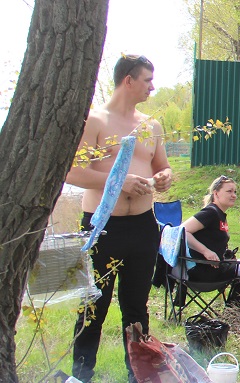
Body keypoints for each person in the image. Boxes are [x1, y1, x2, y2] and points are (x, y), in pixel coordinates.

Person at [65, 55, 173, 382]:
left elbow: (162, 166)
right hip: (102, 226)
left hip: (142, 226)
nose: (152, 87)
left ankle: (137, 376)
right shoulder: (95, 121)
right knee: (93, 309)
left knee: (136, 310)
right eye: (147, 80)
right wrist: (118, 179)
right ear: (128, 80)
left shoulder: (151, 125)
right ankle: (81, 377)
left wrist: (165, 177)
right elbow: (72, 171)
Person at [180, 175, 240, 315]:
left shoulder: (219, 214)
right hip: (202, 272)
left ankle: (232, 313)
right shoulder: (210, 213)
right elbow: (182, 231)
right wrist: (206, 251)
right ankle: (233, 314)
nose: (234, 195)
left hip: (213, 267)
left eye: (235, 192)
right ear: (216, 193)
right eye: (229, 191)